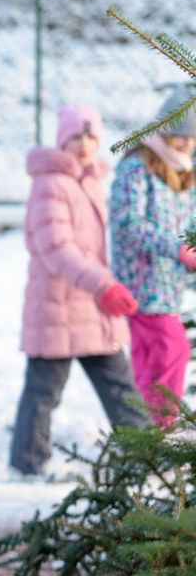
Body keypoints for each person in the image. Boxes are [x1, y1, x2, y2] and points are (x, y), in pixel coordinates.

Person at [10, 105, 151, 478]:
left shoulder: (88, 182)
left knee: (120, 385)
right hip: (57, 309)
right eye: (76, 136)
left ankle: (146, 458)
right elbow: (57, 249)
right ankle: (27, 463)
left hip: (90, 309)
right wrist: (103, 284)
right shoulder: (51, 184)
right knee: (43, 391)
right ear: (62, 140)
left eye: (91, 137)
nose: (85, 144)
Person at [109, 87, 196, 426]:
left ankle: (140, 429)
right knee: (173, 348)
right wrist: (176, 249)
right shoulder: (137, 167)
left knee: (148, 360)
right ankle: (159, 423)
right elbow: (128, 223)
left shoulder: (184, 173)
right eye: (179, 136)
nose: (185, 144)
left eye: (191, 138)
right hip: (141, 283)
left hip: (168, 285)